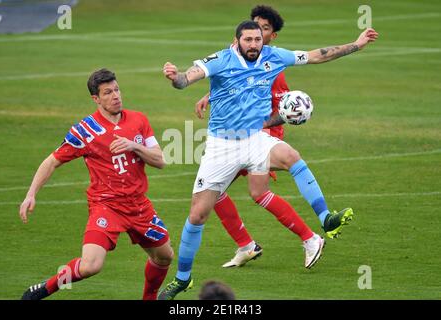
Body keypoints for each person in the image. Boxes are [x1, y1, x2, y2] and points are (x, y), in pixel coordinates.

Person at [159, 21, 379, 300]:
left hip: (254, 139)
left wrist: (356, 45)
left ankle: (326, 219)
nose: (253, 44)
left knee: (291, 157)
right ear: (236, 40)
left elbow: (316, 55)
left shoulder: (273, 56)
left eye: (257, 39)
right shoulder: (221, 59)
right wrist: (175, 77)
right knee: (197, 215)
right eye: (248, 40)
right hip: (221, 146)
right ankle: (182, 279)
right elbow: (187, 78)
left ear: (263, 40)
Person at [194, 5, 352, 269]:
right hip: (238, 137)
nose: (257, 33)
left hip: (259, 136)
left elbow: (284, 112)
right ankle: (255, 244)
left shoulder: (274, 67)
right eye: (253, 28)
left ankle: (302, 236)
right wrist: (210, 95)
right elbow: (235, 86)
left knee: (215, 191)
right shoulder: (241, 58)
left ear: (271, 36)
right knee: (243, 192)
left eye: (263, 30)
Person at [19, 68, 174, 300]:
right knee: (91, 265)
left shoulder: (139, 120)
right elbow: (52, 161)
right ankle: (45, 288)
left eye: (117, 89)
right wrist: (31, 193)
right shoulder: (85, 131)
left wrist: (134, 146)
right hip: (106, 206)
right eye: (108, 92)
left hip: (139, 206)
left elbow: (160, 161)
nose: (116, 96)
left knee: (165, 257)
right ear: (96, 98)